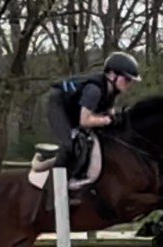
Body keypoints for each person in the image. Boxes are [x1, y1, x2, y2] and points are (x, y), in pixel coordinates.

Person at [47, 51, 141, 180]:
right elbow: (84, 121)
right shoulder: (94, 90)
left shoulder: (112, 90)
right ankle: (54, 186)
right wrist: (107, 120)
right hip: (58, 105)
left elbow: (109, 114)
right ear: (112, 75)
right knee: (69, 146)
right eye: (127, 79)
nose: (130, 84)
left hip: (76, 108)